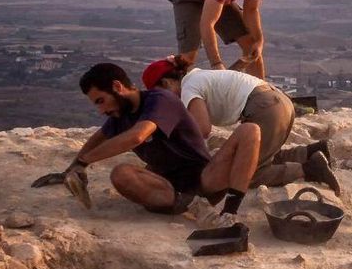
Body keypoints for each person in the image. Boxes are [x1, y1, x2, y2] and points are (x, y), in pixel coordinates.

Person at [63, 63, 264, 227]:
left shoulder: (159, 100)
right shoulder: (119, 115)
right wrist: (74, 167)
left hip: (203, 178)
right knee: (121, 173)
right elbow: (99, 137)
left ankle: (230, 212)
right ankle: (191, 205)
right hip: (166, 188)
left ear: (117, 87)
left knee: (250, 130)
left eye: (100, 100)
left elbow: (137, 136)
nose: (100, 110)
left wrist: (84, 160)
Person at [141, 56, 337, 193]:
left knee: (246, 173)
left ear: (166, 84)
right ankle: (313, 151)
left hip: (264, 108)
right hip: (279, 102)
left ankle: (309, 169)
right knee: (260, 155)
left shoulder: (188, 87)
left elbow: (202, 129)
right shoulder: (198, 76)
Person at [169, 0, 285, 78]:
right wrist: (216, 64)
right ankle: (175, 93)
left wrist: (259, 41)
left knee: (251, 47)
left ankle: (259, 92)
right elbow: (208, 24)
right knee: (187, 58)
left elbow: (251, 11)